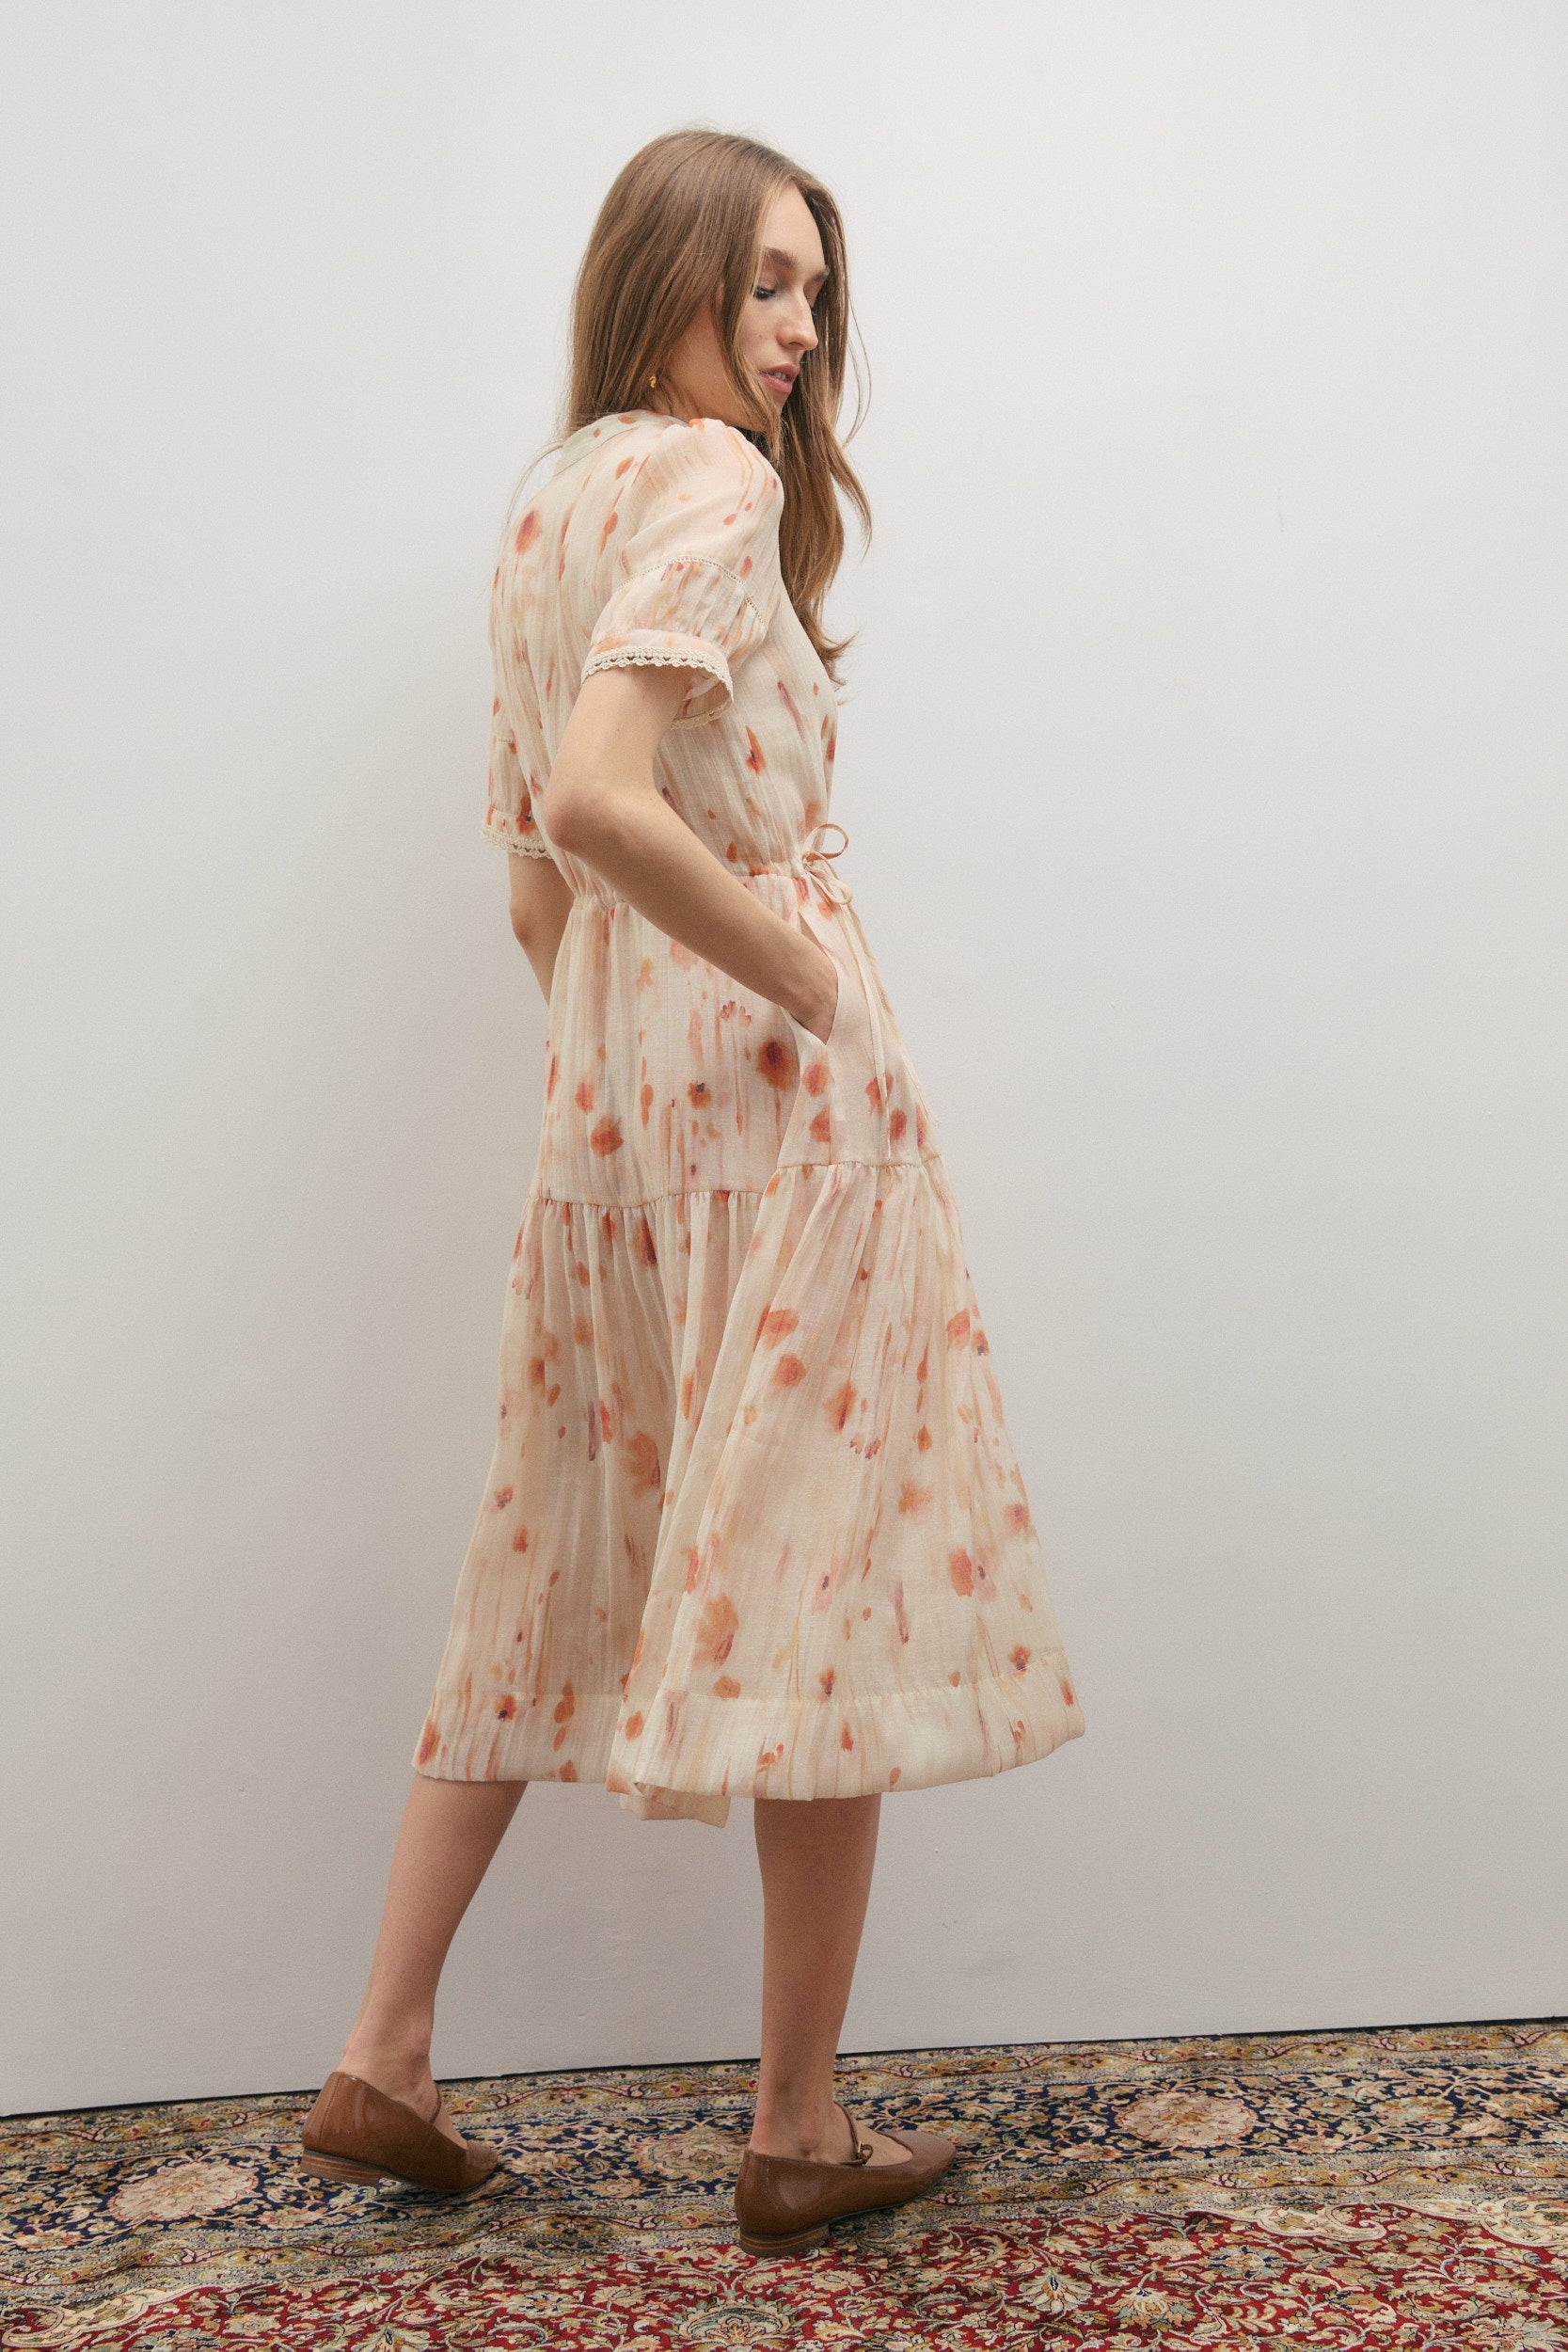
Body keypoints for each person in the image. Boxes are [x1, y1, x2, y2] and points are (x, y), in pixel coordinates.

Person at [300, 127, 1085, 2259]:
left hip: (617, 1112)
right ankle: (798, 2123)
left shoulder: (549, 504)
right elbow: (594, 798)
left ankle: (385, 2046)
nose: (802, 330)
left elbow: (535, 884)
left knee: (550, 1540)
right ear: (663, 277)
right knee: (822, 1566)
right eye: (764, 283)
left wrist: (618, 1064)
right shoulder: (717, 488)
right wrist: (807, 979)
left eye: (818, 290)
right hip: (778, 1092)